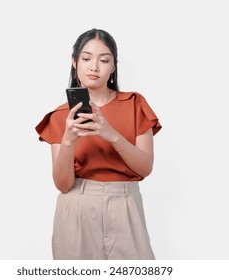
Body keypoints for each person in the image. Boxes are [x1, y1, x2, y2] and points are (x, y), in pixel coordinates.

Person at [35, 28, 162, 260]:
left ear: (113, 66)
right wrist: (68, 140)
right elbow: (63, 184)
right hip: (77, 205)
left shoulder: (134, 104)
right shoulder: (59, 116)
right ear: (74, 62)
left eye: (104, 60)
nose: (94, 66)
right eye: (86, 58)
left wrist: (110, 133)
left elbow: (145, 168)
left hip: (125, 204)